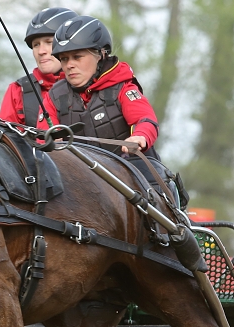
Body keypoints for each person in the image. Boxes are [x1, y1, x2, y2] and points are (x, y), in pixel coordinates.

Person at [45, 16, 188, 209]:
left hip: (133, 177)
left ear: (100, 55)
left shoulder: (122, 87)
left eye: (77, 57)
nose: (69, 65)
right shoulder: (54, 96)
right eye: (64, 59)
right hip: (79, 182)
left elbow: (145, 120)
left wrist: (139, 137)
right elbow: (43, 137)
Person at [0, 7, 77, 130]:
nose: (41, 51)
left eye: (49, 42)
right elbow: (5, 142)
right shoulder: (18, 90)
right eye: (36, 45)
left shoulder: (89, 84)